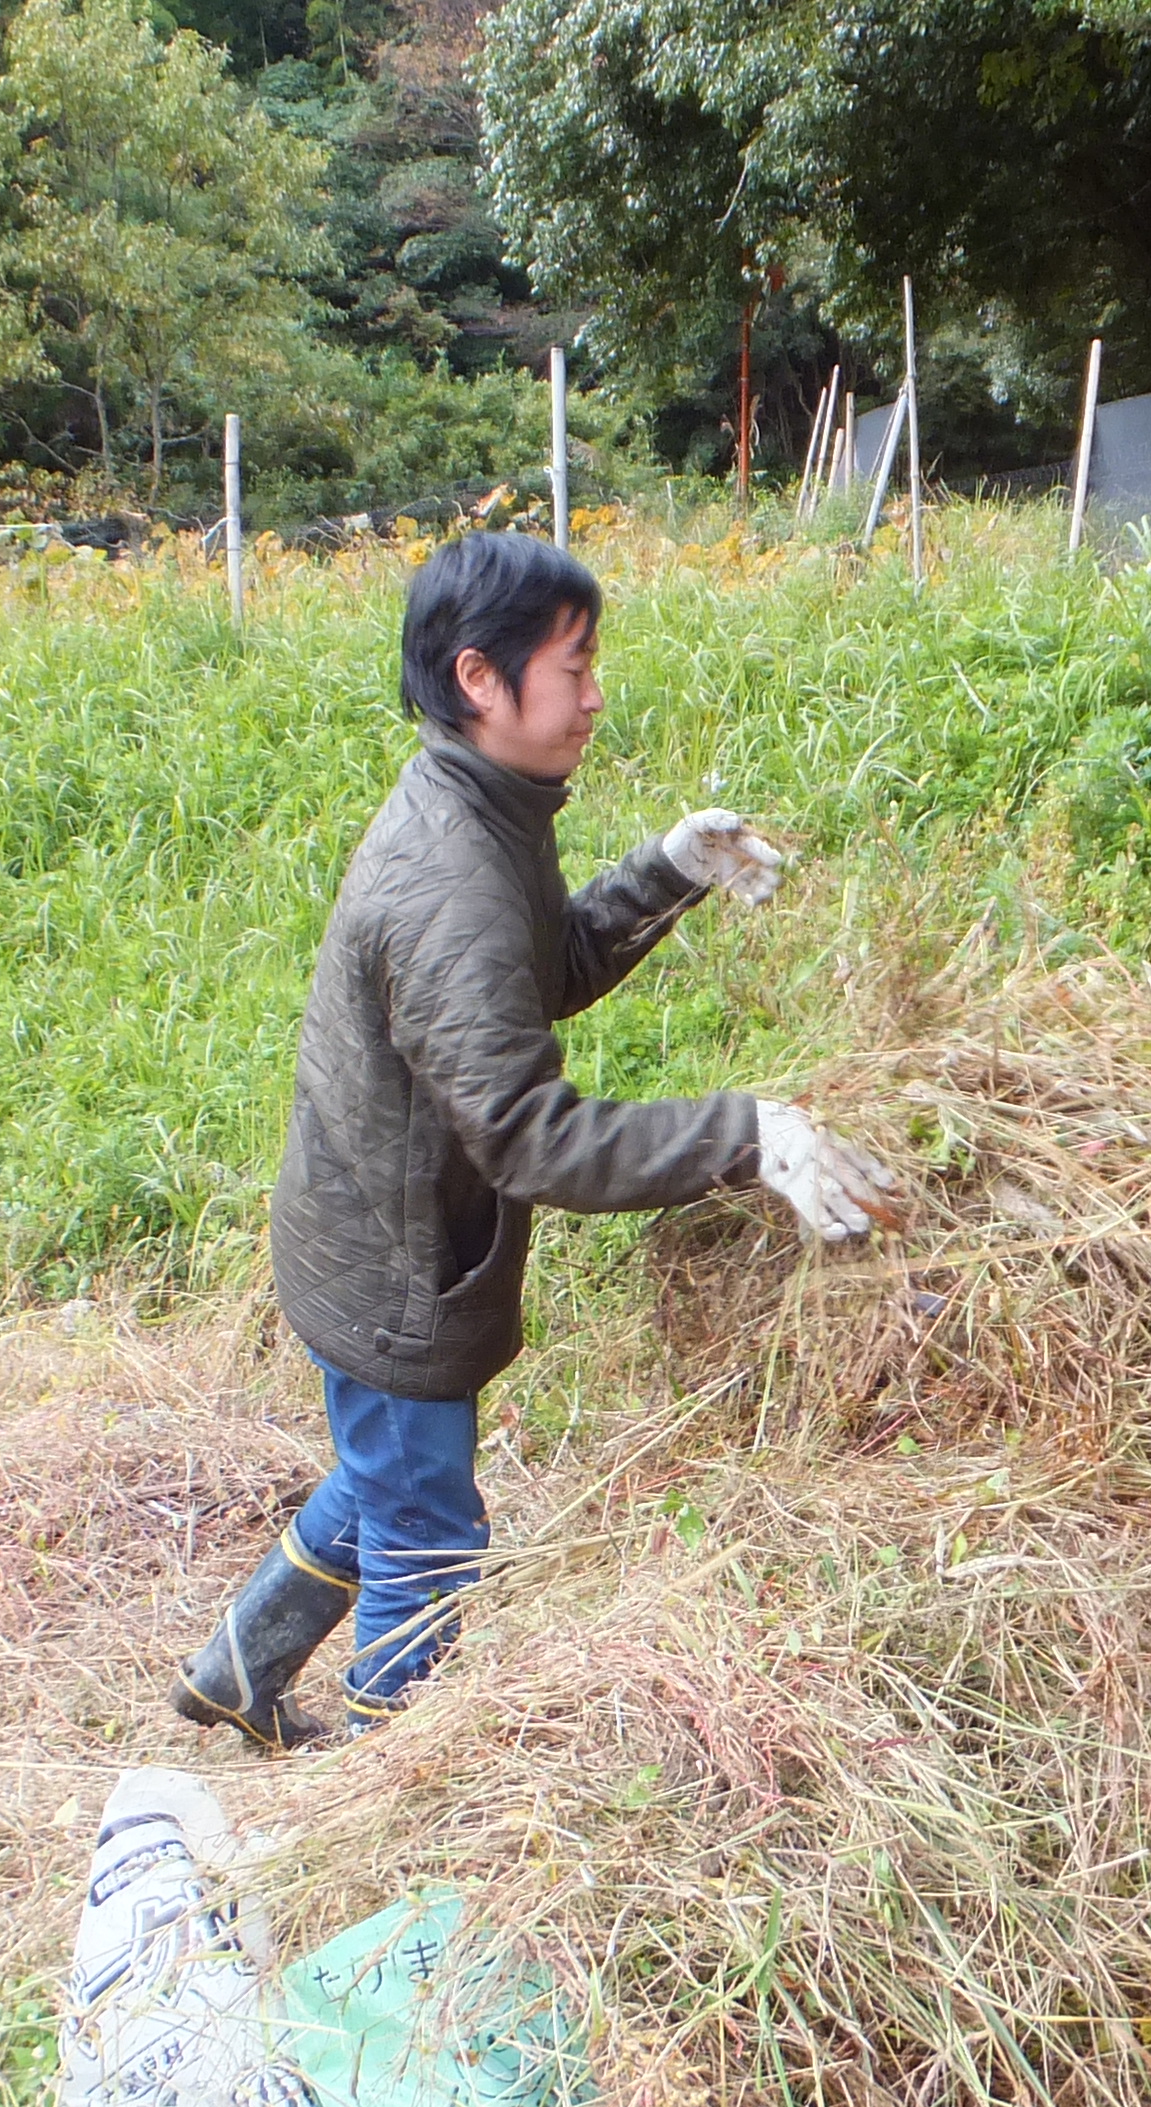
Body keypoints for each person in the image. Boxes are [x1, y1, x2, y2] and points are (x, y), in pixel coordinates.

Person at [174, 529, 897, 1750]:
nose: (596, 695)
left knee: (382, 1475)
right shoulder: (449, 873)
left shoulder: (481, 803)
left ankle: (239, 1671)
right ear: (479, 680)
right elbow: (527, 1136)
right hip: (397, 1268)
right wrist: (743, 1136)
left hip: (369, 1236)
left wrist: (666, 873)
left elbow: (536, 971)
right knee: (432, 1528)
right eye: (574, 667)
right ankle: (384, 1771)